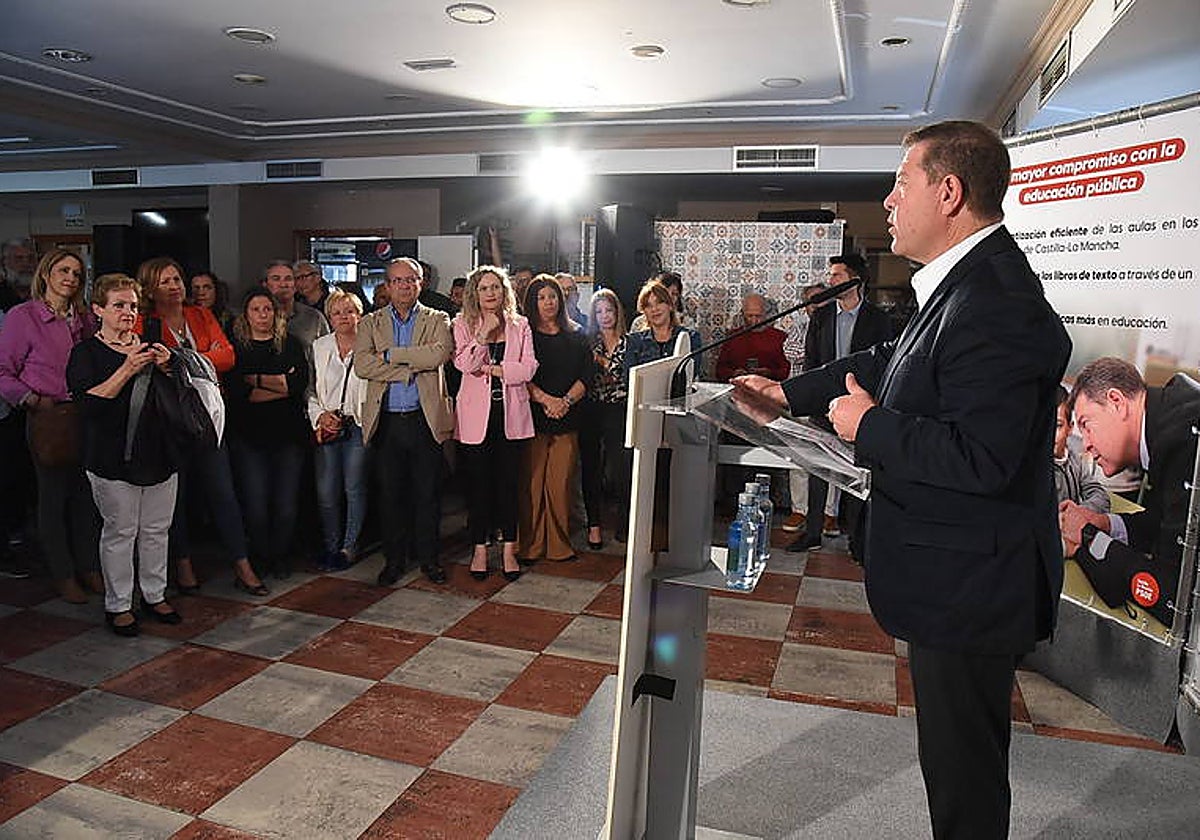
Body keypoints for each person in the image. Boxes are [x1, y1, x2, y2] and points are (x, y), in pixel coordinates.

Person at [735, 120, 1071, 839]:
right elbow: (892, 359)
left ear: (949, 192)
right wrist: (786, 394)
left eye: (901, 182)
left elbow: (984, 458)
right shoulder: (963, 286)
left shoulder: (998, 302)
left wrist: (868, 427)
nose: (887, 201)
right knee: (953, 766)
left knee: (965, 778)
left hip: (969, 585)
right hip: (952, 576)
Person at [138, 257, 268, 597]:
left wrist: (180, 359)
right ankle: (183, 565)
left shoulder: (200, 315)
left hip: (209, 418)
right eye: (166, 281)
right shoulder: (145, 323)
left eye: (177, 278)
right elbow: (155, 364)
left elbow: (228, 356)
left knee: (223, 492)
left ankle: (242, 564)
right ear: (151, 288)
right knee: (175, 498)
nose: (175, 286)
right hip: (169, 420)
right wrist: (201, 360)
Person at [66, 273, 181, 636]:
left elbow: (178, 398)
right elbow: (88, 406)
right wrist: (127, 368)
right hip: (111, 457)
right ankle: (118, 604)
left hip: (160, 452)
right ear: (99, 309)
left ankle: (154, 593)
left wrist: (168, 365)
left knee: (157, 530)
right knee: (121, 531)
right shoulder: (85, 352)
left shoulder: (152, 344)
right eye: (119, 305)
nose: (128, 312)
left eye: (132, 305)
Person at [1059, 358, 1200, 623]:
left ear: (1116, 402)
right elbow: (1165, 522)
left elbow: (1174, 600)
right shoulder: (1172, 417)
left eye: (1087, 425)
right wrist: (1103, 523)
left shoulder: (1186, 440)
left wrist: (1087, 538)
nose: (1086, 445)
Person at [0, 248, 100, 603]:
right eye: (63, 270)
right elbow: (2, 371)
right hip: (48, 418)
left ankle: (89, 565)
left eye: (76, 272)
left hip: (84, 415)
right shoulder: (22, 316)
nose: (70, 278)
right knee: (53, 498)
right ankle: (63, 573)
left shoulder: (84, 319)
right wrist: (32, 400)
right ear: (46, 274)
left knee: (87, 497)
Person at [355, 257, 455, 586]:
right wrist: (411, 365)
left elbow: (438, 355)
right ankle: (394, 561)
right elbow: (363, 365)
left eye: (410, 280)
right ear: (387, 285)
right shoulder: (370, 323)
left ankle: (429, 559)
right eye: (397, 281)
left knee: (427, 495)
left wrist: (392, 355)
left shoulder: (438, 318)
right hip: (386, 422)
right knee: (391, 496)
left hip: (424, 420)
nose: (404, 286)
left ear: (420, 283)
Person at [790, 255, 893, 554]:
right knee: (817, 471)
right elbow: (811, 362)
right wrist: (813, 400)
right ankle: (812, 534)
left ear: (856, 280)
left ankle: (857, 541)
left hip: (859, 410)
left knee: (857, 472)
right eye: (831, 275)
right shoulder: (820, 316)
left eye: (837, 275)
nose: (831, 281)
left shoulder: (878, 319)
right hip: (823, 409)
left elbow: (882, 367)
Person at [452, 266, 537, 580]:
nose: (490, 293)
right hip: (476, 419)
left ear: (505, 291)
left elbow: (528, 370)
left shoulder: (521, 325)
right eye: (484, 288)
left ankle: (509, 551)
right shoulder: (462, 324)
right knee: (479, 488)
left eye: (496, 287)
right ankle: (479, 551)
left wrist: (497, 370)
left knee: (509, 487)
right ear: (475, 293)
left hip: (511, 416)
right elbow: (465, 364)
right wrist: (484, 334)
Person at [224, 289, 310, 580]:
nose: (263, 315)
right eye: (256, 309)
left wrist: (257, 380)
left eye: (268, 309)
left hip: (289, 436)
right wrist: (279, 384)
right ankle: (259, 557)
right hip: (249, 437)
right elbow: (238, 393)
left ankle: (280, 557)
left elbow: (297, 385)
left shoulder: (290, 344)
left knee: (286, 504)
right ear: (245, 314)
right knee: (256, 504)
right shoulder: (236, 346)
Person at [519, 275, 592, 563]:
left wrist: (564, 402)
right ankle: (531, 545)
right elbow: (520, 374)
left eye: (553, 296)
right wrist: (546, 400)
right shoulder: (524, 334)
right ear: (532, 302)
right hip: (533, 417)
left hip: (568, 417)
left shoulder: (577, 334)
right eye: (541, 297)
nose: (548, 302)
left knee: (561, 484)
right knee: (532, 483)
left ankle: (559, 544)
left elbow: (586, 376)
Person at [307, 289, 369, 571]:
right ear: (329, 317)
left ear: (360, 315)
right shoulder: (319, 347)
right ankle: (331, 545)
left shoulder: (371, 346)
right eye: (337, 312)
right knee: (326, 491)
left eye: (349, 311)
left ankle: (349, 546)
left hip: (358, 424)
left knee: (354, 487)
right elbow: (309, 388)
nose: (343, 317)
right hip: (328, 423)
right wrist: (320, 416)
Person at [579, 287, 631, 548]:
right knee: (592, 468)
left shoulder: (631, 342)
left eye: (608, 310)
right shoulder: (588, 342)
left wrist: (602, 364)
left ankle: (625, 525)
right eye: (598, 311)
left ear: (617, 311)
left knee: (621, 469)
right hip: (591, 408)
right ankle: (594, 526)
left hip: (620, 409)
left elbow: (627, 377)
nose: (604, 316)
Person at [780, 282, 827, 533]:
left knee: (828, 458)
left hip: (826, 401)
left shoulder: (833, 325)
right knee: (798, 457)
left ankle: (830, 513)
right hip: (799, 400)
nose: (816, 304)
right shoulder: (800, 326)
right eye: (812, 300)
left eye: (820, 299)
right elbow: (791, 352)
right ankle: (799, 510)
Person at [624, 279, 703, 375]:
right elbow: (629, 379)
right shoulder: (634, 341)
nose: (654, 309)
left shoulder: (692, 338)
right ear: (644, 312)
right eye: (648, 305)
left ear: (670, 306)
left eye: (659, 302)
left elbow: (691, 374)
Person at [1052, 385, 1109, 516]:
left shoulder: (1074, 458)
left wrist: (1077, 512)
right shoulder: (1036, 468)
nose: (1050, 435)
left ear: (1070, 428)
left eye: (1058, 426)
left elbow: (1100, 495)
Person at [715, 292, 788, 382]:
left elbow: (786, 371)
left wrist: (769, 373)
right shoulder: (732, 337)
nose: (754, 320)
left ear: (765, 314)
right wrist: (734, 373)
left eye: (758, 316)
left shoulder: (780, 337)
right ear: (743, 314)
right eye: (749, 316)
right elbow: (720, 371)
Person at [263, 259, 329, 355]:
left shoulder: (314, 318)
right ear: (265, 284)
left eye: (288, 279)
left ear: (295, 285)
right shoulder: (254, 317)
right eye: (276, 279)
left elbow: (328, 353)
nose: (283, 284)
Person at [628, 271, 696, 332]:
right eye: (664, 293)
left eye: (674, 294)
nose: (669, 297)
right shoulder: (638, 323)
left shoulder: (687, 323)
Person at [1, 237, 36, 310]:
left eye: (31, 258)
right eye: (19, 258)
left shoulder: (46, 294)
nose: (26, 264)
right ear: (4, 262)